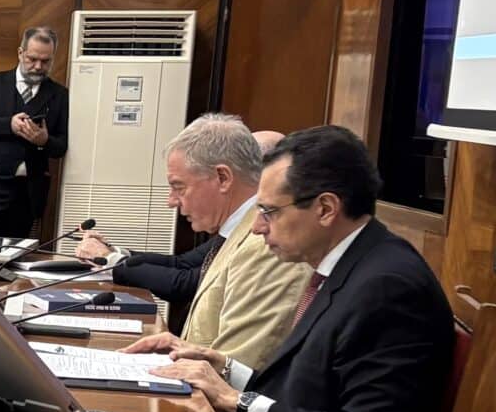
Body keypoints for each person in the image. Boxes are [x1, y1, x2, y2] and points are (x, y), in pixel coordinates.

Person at [142, 126, 454, 412]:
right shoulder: (352, 265)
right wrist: (222, 367)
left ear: (325, 208)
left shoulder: (388, 287)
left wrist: (238, 401)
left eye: (269, 211)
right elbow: (314, 388)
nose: (257, 227)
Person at [67, 115, 313, 374]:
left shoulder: (264, 245)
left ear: (223, 178)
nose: (171, 201)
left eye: (179, 187)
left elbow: (233, 368)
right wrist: (177, 348)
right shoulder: (234, 232)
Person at [0, 26, 70, 240]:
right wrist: (8, 124)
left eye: (46, 61)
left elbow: (61, 147)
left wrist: (44, 140)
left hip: (27, 193)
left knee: (15, 254)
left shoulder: (59, 95)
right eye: (32, 59)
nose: (38, 66)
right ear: (20, 53)